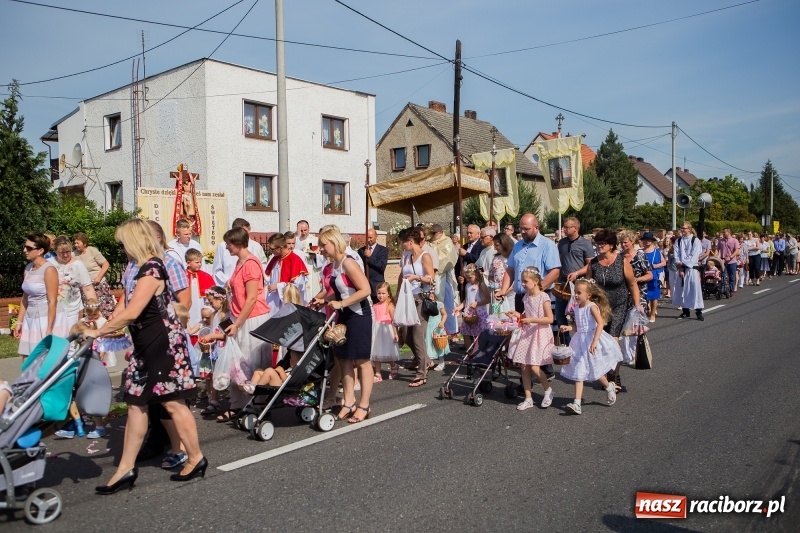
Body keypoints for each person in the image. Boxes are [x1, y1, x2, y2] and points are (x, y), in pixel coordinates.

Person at [85, 218, 205, 494]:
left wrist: (100, 332)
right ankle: (125, 468)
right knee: (135, 404)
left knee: (174, 404)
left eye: (123, 243)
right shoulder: (139, 268)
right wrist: (105, 327)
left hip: (161, 345)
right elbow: (125, 307)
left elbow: (133, 311)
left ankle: (196, 457)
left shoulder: (152, 268)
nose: (122, 248)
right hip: (144, 345)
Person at [311, 227, 373, 422]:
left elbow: (365, 290)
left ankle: (364, 405)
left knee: (362, 361)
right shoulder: (336, 265)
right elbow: (342, 290)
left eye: (323, 245)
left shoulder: (348, 262)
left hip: (359, 315)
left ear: (334, 242)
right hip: (344, 315)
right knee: (344, 359)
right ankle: (348, 402)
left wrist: (341, 303)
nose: (320, 249)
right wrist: (325, 299)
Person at [496, 213, 561, 379]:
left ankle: (538, 371)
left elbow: (554, 271)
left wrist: (538, 291)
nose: (523, 232)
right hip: (520, 296)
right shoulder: (518, 246)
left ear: (536, 227)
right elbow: (510, 269)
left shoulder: (547, 245)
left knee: (537, 332)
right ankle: (535, 368)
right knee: (524, 332)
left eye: (526, 229)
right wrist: (503, 290)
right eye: (521, 228)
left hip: (538, 297)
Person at [218, 226, 271, 423]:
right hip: (240, 316)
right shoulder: (240, 262)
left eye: (229, 243)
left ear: (238, 244)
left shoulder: (250, 264)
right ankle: (238, 403)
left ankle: (255, 404)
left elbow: (251, 299)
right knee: (238, 363)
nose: (226, 247)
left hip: (252, 318)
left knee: (251, 361)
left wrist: (238, 324)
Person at [559, 279, 622, 415]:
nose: (575, 295)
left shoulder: (592, 306)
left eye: (579, 293)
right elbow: (579, 326)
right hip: (579, 342)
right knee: (579, 371)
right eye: (575, 292)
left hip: (591, 341)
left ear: (588, 295)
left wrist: (594, 341)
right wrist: (569, 327)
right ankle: (577, 403)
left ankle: (609, 386)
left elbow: (600, 323)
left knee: (595, 370)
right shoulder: (576, 308)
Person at [506, 267, 555, 410]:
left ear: (535, 281)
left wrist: (531, 319)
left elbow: (550, 319)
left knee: (534, 367)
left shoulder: (543, 297)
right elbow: (526, 317)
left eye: (525, 281)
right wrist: (517, 315)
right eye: (522, 281)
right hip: (528, 333)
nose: (522, 284)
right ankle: (528, 398)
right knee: (524, 367)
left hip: (540, 333)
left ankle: (548, 390)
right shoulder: (526, 297)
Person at [15, 233, 69, 358]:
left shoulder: (49, 270)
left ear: (40, 251)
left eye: (29, 248)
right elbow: (25, 297)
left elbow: (52, 301)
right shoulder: (28, 268)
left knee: (45, 359)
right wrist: (19, 322)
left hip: (46, 317)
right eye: (25, 247)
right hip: (31, 317)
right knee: (27, 358)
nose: (25, 250)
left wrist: (49, 329)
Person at [394, 227, 435, 388]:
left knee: (418, 335)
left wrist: (416, 277)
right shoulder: (407, 257)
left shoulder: (425, 256)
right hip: (407, 299)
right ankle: (426, 360)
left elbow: (431, 279)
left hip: (421, 299)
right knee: (407, 335)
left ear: (410, 242)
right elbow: (400, 276)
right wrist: (397, 294)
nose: (402, 245)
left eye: (403, 242)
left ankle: (421, 374)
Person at [555, 217, 594, 335]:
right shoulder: (562, 242)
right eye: (564, 227)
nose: (564, 230)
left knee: (579, 315)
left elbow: (590, 265)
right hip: (564, 282)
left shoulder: (585, 244)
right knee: (560, 314)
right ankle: (565, 343)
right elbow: (560, 261)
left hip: (579, 283)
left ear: (575, 228)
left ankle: (581, 340)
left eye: (567, 227)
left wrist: (576, 273)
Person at [619, 230, 651, 368]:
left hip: (639, 294)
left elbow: (649, 274)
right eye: (621, 242)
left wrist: (636, 280)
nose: (623, 245)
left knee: (634, 327)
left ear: (632, 242)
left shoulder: (640, 256)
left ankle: (635, 353)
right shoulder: (619, 257)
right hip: (623, 296)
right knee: (625, 326)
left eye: (625, 242)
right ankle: (628, 355)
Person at [49, 235, 97, 328]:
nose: (66, 255)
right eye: (61, 252)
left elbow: (88, 289)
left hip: (72, 311)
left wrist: (94, 308)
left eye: (68, 252)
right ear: (55, 251)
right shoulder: (49, 264)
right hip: (52, 310)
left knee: (71, 339)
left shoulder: (78, 265)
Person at [196, 286, 229, 416]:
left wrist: (212, 337)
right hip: (214, 350)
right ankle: (214, 401)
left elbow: (227, 335)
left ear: (220, 299)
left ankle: (234, 399)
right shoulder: (214, 315)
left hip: (224, 350)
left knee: (226, 375)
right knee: (213, 375)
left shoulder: (225, 316)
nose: (210, 305)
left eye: (211, 302)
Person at [211, 219, 268, 287]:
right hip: (228, 287)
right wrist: (226, 280)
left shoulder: (256, 246)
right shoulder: (222, 246)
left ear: (249, 229)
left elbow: (263, 266)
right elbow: (217, 270)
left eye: (244, 231)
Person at [73, 232, 117, 319]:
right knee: (91, 311)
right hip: (86, 287)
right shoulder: (73, 254)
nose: (76, 245)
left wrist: (99, 277)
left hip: (99, 284)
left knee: (105, 309)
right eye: (75, 243)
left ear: (84, 243)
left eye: (78, 243)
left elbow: (105, 264)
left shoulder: (92, 250)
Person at [265, 233, 309, 312]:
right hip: (274, 301)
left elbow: (298, 285)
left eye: (272, 249)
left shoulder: (295, 260)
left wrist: (278, 286)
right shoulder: (275, 259)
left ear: (281, 248)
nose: (271, 251)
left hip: (288, 301)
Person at [429, 224, 459, 335]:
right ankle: (435, 329)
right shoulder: (429, 242)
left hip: (444, 275)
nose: (433, 236)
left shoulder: (447, 242)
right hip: (432, 276)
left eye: (434, 234)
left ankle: (450, 330)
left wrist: (435, 266)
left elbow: (448, 259)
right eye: (431, 234)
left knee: (447, 302)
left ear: (441, 232)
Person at [454, 264, 490, 351]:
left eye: (470, 277)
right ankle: (469, 351)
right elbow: (466, 300)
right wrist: (459, 307)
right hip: (469, 314)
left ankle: (479, 351)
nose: (468, 279)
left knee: (479, 334)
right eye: (467, 278)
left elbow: (488, 299)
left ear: (476, 275)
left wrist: (477, 303)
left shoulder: (481, 285)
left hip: (479, 313)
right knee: (465, 333)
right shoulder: (467, 286)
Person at [674, 222, 705, 321]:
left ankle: (698, 311)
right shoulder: (678, 241)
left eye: (684, 228)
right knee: (683, 290)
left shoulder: (695, 240)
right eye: (681, 228)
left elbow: (694, 255)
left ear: (689, 229)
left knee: (694, 290)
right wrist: (680, 267)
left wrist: (683, 264)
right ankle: (685, 311)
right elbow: (676, 255)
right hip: (682, 269)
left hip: (692, 269)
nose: (682, 230)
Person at [370, 282, 400, 382]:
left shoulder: (390, 306)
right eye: (379, 293)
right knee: (376, 352)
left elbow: (394, 321)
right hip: (377, 331)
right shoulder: (374, 306)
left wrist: (395, 333)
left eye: (383, 293)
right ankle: (378, 374)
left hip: (387, 331)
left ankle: (393, 365)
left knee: (387, 352)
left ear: (388, 294)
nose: (381, 295)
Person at [185, 249, 215, 337]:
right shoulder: (183, 275)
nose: (199, 264)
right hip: (189, 307)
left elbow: (212, 293)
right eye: (197, 262)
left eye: (200, 262)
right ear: (188, 263)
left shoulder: (206, 276)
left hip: (201, 305)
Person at [295, 219, 325, 298]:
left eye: (305, 230)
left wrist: (315, 257)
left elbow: (323, 256)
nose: (304, 232)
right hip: (300, 270)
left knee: (313, 291)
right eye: (301, 230)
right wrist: (297, 237)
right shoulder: (294, 240)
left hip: (312, 269)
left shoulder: (315, 240)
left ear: (309, 229)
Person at [357, 229, 388, 303]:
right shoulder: (361, 250)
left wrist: (370, 257)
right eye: (367, 237)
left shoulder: (383, 250)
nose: (369, 240)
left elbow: (382, 266)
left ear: (376, 237)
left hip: (377, 285)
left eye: (371, 237)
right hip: (364, 284)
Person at [488, 233, 516, 314]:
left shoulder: (513, 257)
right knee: (497, 317)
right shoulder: (496, 258)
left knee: (510, 316)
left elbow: (516, 277)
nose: (495, 247)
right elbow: (490, 275)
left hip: (510, 294)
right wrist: (494, 286)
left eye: (497, 245)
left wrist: (505, 291)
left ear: (504, 243)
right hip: (497, 293)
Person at [640, 232, 664, 322]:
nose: (646, 242)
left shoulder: (656, 252)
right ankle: (647, 311)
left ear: (652, 241)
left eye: (648, 240)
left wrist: (656, 266)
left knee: (654, 295)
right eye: (645, 240)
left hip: (654, 275)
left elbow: (664, 262)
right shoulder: (641, 252)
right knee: (644, 295)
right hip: (644, 275)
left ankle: (653, 314)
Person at [717, 228, 741, 296]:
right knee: (723, 276)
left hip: (732, 261)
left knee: (732, 276)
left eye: (724, 232)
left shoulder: (734, 240)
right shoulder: (721, 241)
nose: (723, 233)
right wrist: (716, 257)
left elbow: (737, 250)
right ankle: (722, 289)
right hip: (723, 261)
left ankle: (731, 290)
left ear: (728, 232)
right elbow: (717, 249)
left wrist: (730, 257)